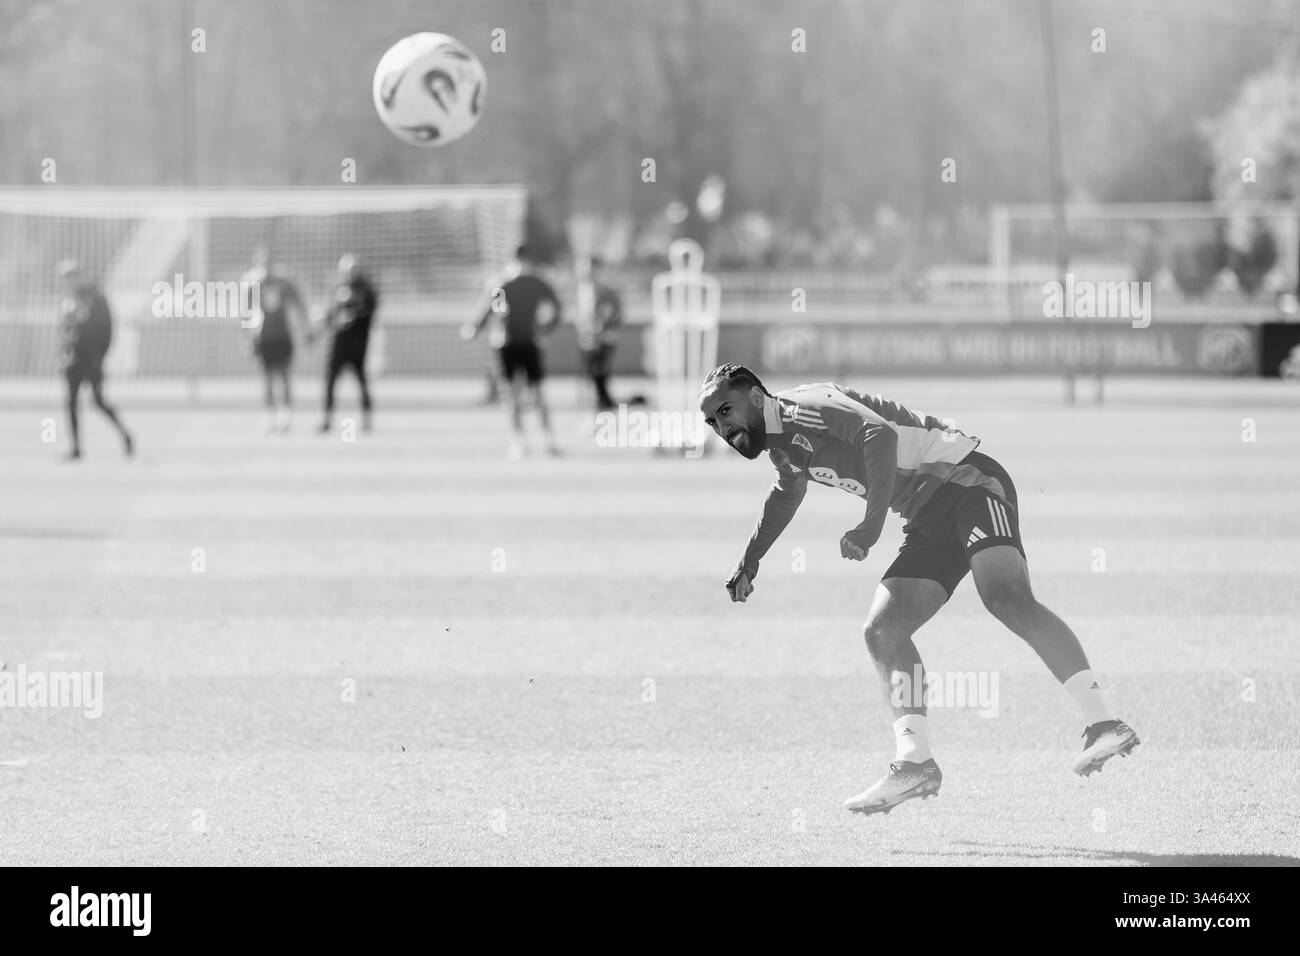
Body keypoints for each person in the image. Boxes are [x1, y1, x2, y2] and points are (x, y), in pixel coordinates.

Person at [698, 363, 1139, 815]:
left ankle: (1104, 722)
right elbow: (786, 492)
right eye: (712, 421)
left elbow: (880, 437)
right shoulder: (782, 447)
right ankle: (915, 763)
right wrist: (750, 561)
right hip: (927, 515)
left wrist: (869, 529)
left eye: (725, 410)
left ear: (755, 397)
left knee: (1006, 599)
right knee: (882, 629)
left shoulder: (804, 407)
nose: (721, 427)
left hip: (968, 482)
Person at [461, 245, 562, 458]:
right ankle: (532, 441)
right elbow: (495, 310)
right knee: (522, 393)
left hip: (515, 342)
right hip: (514, 343)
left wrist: (475, 327)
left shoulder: (518, 283)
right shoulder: (512, 283)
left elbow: (495, 311)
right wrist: (545, 328)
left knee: (526, 394)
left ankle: (534, 441)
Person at [57, 261, 134, 461]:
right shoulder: (68, 301)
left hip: (91, 361)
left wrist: (99, 357)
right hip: (74, 362)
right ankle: (76, 448)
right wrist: (65, 350)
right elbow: (67, 332)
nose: (67, 282)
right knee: (71, 402)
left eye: (70, 277)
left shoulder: (95, 298)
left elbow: (105, 330)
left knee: (98, 402)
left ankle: (125, 435)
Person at [242, 248, 308, 433]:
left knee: (285, 377)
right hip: (264, 338)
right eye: (263, 262)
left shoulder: (284, 282)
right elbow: (246, 314)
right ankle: (270, 417)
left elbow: (299, 304)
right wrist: (248, 338)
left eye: (269, 261)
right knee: (267, 379)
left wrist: (305, 327)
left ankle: (286, 417)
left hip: (283, 336)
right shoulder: (253, 285)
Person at [319, 254, 378, 433]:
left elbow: (369, 310)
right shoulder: (338, 289)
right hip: (340, 344)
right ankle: (327, 420)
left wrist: (352, 309)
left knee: (361, 381)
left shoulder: (366, 290)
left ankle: (367, 420)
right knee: (330, 380)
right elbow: (330, 315)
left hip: (358, 344)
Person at [574, 255, 623, 411]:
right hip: (589, 337)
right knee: (592, 370)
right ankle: (601, 401)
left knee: (600, 369)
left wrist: (601, 327)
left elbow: (614, 312)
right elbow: (582, 315)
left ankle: (603, 402)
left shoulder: (605, 290)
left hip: (603, 337)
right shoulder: (583, 290)